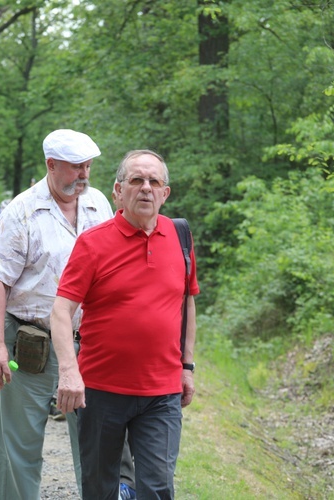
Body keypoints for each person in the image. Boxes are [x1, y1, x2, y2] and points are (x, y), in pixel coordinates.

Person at [50, 149, 199, 499]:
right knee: (100, 488)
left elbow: (187, 302)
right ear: (118, 191)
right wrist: (69, 372)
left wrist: (187, 366)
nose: (145, 188)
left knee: (158, 486)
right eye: (136, 180)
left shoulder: (180, 237)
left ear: (165, 193)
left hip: (161, 392)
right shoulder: (93, 242)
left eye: (154, 181)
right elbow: (60, 311)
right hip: (102, 391)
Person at [0, 129, 113, 499]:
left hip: (89, 343)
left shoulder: (98, 203)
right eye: (75, 168)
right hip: (27, 340)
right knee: (17, 446)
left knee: (96, 443)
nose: (84, 175)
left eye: (88, 166)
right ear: (51, 165)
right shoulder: (21, 210)